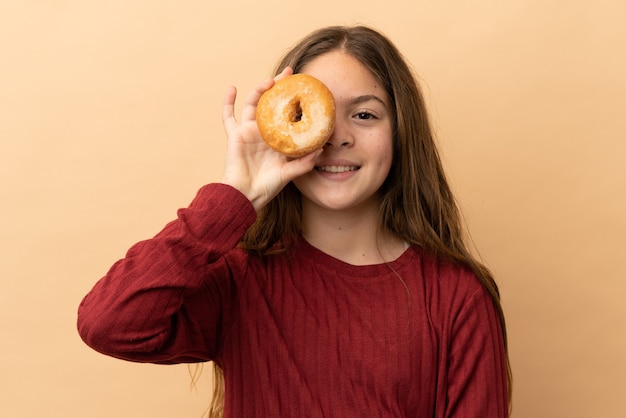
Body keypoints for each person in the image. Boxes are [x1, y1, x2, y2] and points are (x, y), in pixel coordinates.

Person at [77, 25, 511, 417]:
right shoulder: (239, 282)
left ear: (399, 133)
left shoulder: (456, 297)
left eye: (364, 114)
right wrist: (237, 195)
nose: (336, 135)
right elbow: (108, 324)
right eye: (309, 112)